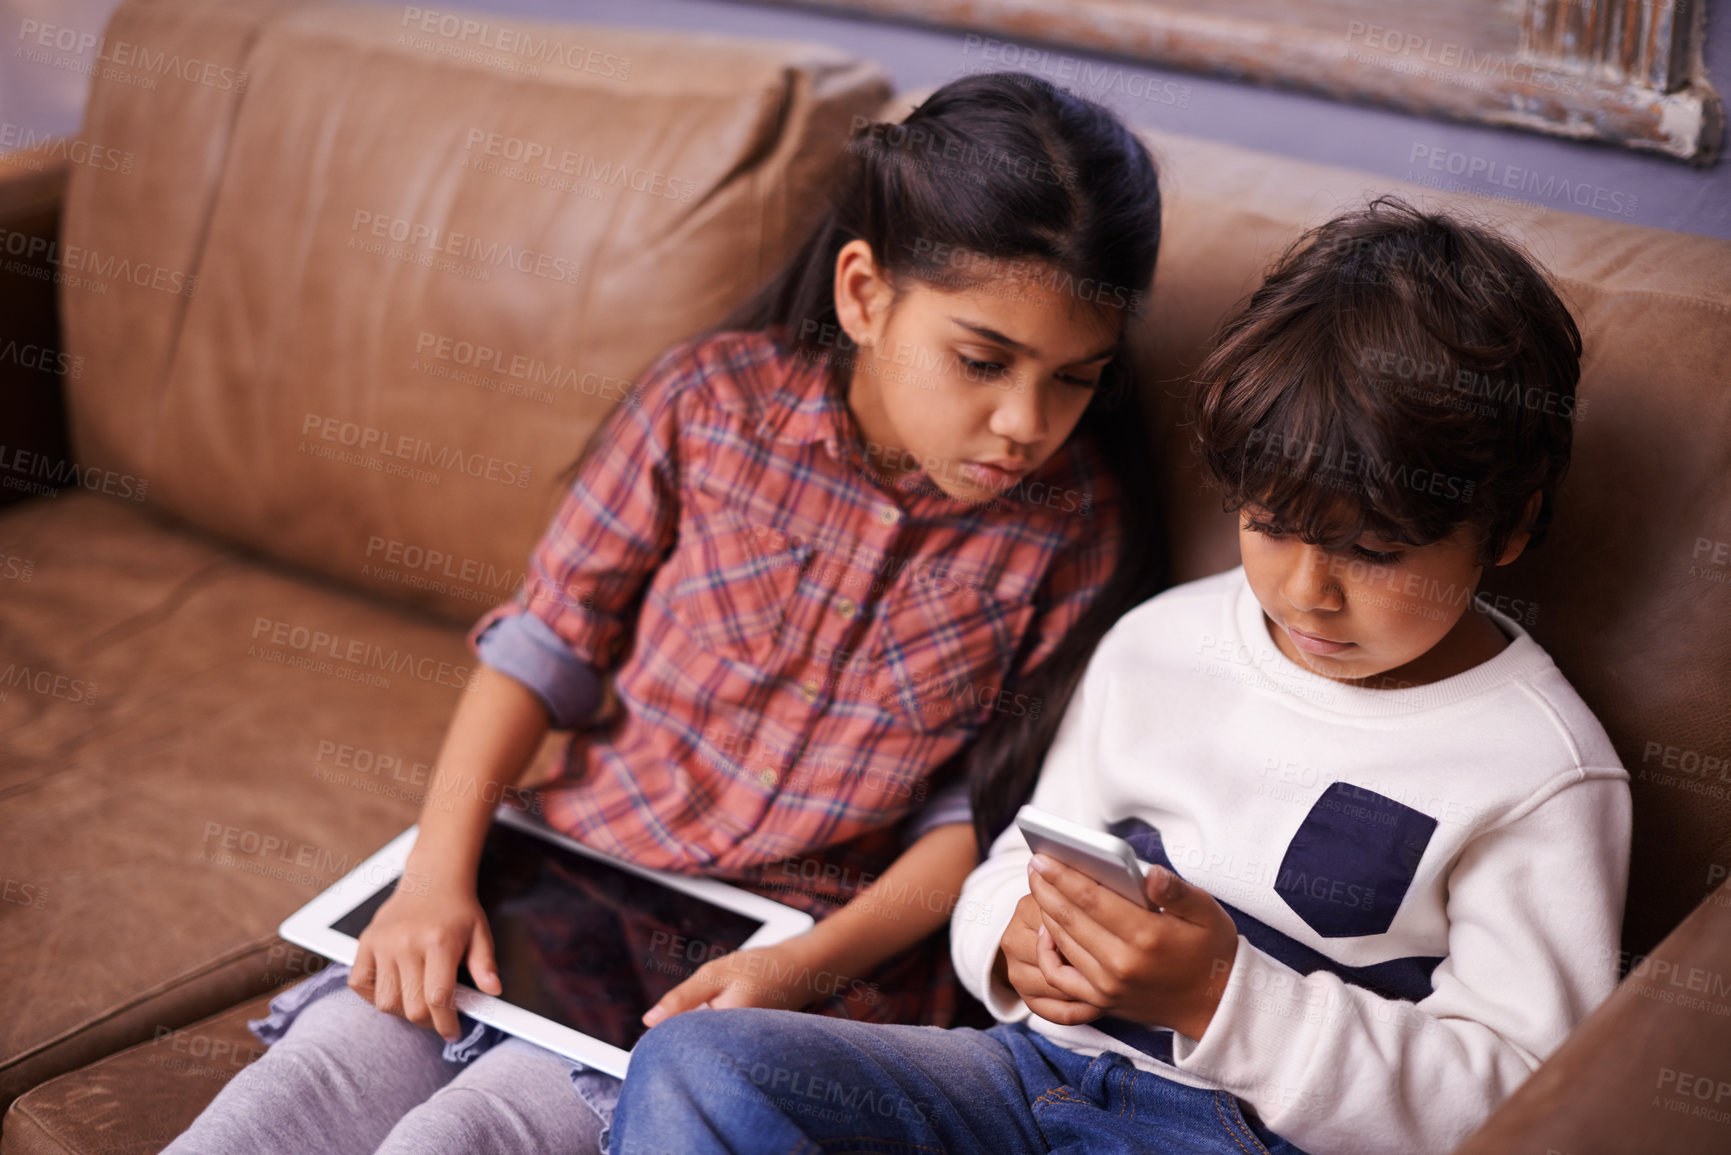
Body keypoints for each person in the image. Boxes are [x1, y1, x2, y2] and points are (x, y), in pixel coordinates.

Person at [162, 71, 1168, 1155]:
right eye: (983, 361)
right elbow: (537, 652)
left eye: (1075, 380)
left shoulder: (1074, 531)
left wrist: (801, 970)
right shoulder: (708, 406)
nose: (1027, 424)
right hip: (567, 879)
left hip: (781, 962)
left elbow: (967, 825)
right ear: (865, 295)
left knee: (462, 1137)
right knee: (294, 1099)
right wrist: (434, 876)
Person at [607, 197, 1632, 1155]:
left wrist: (1220, 1000)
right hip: (1031, 1075)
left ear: (1510, 524)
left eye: (1372, 552)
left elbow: (1519, 1093)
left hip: (1250, 1135)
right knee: (703, 1068)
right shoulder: (1162, 642)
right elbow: (1019, 857)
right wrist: (1015, 939)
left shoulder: (1537, 768)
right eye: (1272, 527)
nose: (1308, 592)